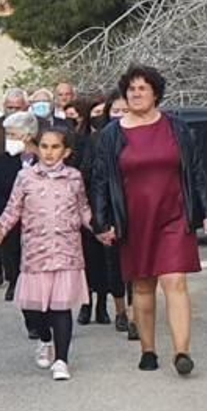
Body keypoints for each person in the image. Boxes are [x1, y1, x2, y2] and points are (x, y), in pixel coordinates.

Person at [90, 65, 207, 375]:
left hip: (174, 216)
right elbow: (100, 181)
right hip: (134, 219)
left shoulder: (177, 128)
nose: (136, 94)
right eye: (131, 89)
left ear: (156, 94)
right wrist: (101, 222)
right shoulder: (112, 135)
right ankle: (148, 349)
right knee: (143, 285)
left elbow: (196, 171)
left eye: (143, 88)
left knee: (175, 281)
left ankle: (182, 352)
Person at [0, 126, 92, 381]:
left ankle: (62, 360)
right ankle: (45, 339)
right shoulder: (26, 177)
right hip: (36, 251)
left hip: (66, 251)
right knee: (35, 308)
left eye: (55, 147)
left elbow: (83, 209)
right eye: (44, 146)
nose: (49, 153)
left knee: (61, 307)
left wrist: (101, 230)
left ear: (66, 151)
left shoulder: (74, 178)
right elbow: (13, 208)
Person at [70, 98, 127, 329]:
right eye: (115, 110)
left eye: (124, 110)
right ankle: (87, 303)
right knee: (91, 260)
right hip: (95, 208)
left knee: (114, 263)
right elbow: (84, 174)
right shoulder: (94, 140)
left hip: (124, 208)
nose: (119, 115)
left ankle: (112, 307)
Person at [0, 111, 39, 302]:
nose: (8, 139)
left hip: (39, 220)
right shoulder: (0, 162)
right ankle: (14, 280)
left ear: (28, 135)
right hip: (10, 219)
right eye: (7, 134)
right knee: (12, 251)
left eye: (13, 134)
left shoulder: (45, 159)